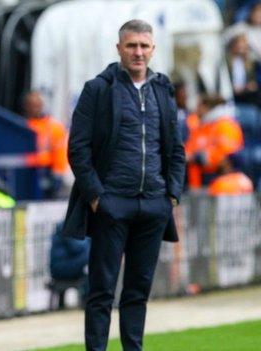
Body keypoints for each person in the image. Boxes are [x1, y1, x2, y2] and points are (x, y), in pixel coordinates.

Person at [62, 20, 186, 351]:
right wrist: (96, 197)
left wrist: (172, 195)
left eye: (144, 46)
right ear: (119, 49)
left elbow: (175, 148)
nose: (138, 52)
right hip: (111, 203)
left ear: (153, 49)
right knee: (101, 291)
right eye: (131, 45)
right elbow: (78, 148)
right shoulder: (98, 89)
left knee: (138, 292)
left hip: (154, 205)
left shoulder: (163, 89)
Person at [185, 95, 244, 190]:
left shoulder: (225, 125)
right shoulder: (201, 125)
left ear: (206, 107)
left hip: (218, 178)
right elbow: (190, 147)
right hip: (197, 181)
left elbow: (227, 153)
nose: (196, 110)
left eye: (199, 106)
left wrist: (199, 157)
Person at [22, 90, 69, 198]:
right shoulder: (23, 126)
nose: (34, 108)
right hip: (26, 173)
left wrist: (57, 176)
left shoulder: (54, 127)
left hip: (47, 174)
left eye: (37, 105)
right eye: (31, 105)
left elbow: (60, 153)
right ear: (26, 106)